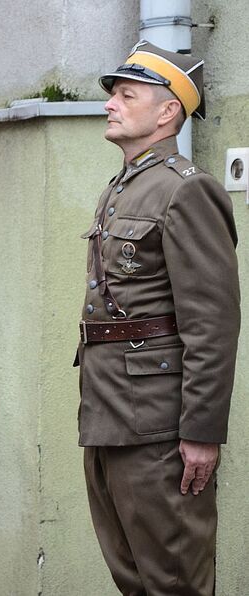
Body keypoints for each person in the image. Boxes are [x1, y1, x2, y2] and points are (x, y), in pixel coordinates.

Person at [78, 41, 240, 595]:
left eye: (127, 95)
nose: (110, 105)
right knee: (134, 579)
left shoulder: (185, 189)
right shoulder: (122, 188)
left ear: (168, 111)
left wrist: (200, 432)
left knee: (174, 580)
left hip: (159, 424)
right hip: (110, 415)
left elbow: (212, 323)